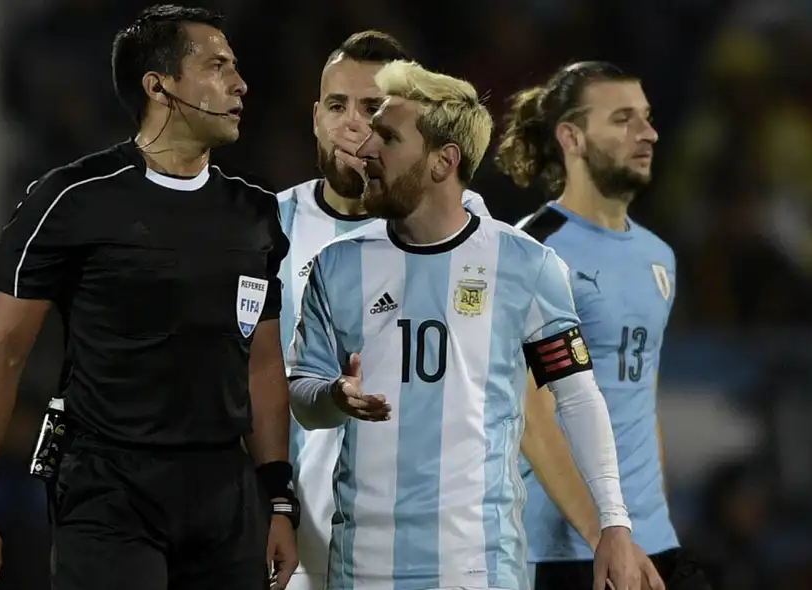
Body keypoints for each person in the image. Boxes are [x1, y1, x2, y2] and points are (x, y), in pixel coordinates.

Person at [0, 6, 298, 590]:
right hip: (109, 492)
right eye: (216, 65)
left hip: (225, 500)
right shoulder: (72, 199)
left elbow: (261, 362)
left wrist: (277, 497)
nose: (239, 82)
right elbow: (1, 349)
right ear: (160, 86)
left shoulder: (254, 216)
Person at [287, 59, 643, 590]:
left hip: (478, 568)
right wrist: (335, 396)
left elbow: (576, 396)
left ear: (441, 162)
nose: (364, 150)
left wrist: (614, 521)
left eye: (386, 137)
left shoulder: (525, 266)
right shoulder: (338, 266)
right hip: (362, 569)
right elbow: (300, 392)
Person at [276, 30, 490, 590]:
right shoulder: (270, 227)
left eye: (372, 108)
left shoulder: (461, 224)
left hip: (428, 545)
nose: (353, 124)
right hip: (300, 536)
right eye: (337, 106)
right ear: (316, 117)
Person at [496, 61, 711, 590]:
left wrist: (649, 526)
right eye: (622, 119)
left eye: (647, 117)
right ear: (571, 136)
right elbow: (531, 414)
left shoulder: (658, 256)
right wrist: (604, 536)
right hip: (566, 549)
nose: (648, 132)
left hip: (649, 542)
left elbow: (643, 401)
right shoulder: (534, 249)